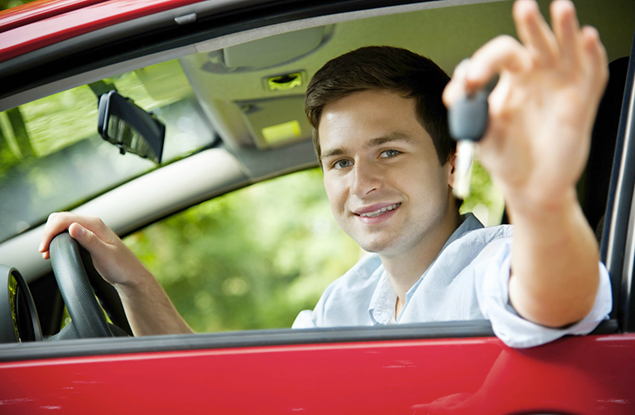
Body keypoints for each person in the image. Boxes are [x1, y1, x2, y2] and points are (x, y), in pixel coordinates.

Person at [39, 0, 611, 347]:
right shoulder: (353, 296)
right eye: (339, 161)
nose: (360, 183)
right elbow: (229, 392)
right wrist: (134, 281)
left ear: (452, 160)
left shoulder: (495, 260)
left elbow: (556, 302)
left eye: (388, 151)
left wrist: (542, 196)